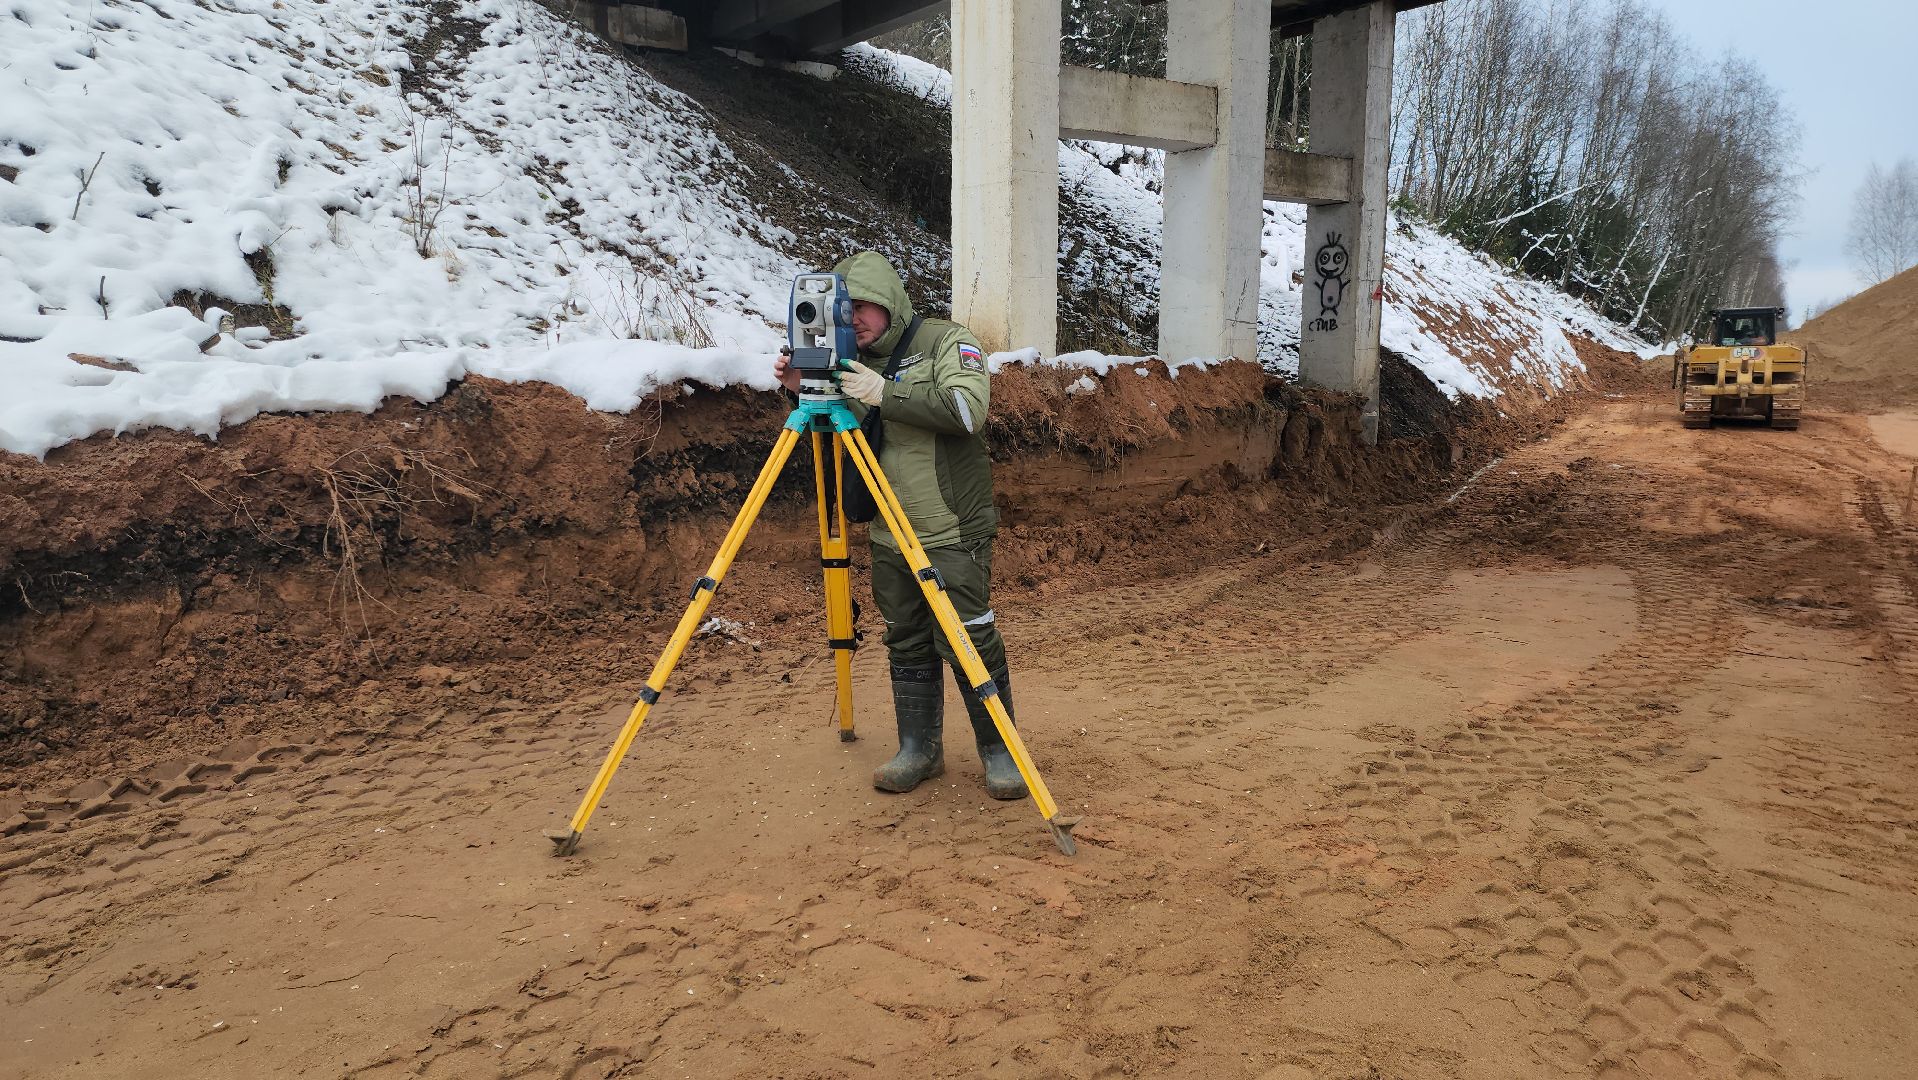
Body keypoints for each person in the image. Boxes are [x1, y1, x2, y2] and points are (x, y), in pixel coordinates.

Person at [773, 251, 1025, 801]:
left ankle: (1001, 750)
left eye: (863, 307)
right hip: (890, 532)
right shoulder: (849, 362)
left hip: (949, 529)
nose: (854, 319)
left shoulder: (945, 341)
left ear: (890, 302)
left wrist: (884, 391)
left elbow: (968, 411)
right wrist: (804, 388)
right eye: (845, 309)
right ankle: (919, 749)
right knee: (906, 639)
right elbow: (846, 436)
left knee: (967, 637)